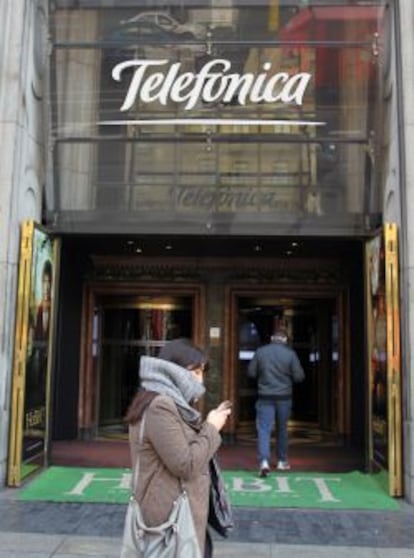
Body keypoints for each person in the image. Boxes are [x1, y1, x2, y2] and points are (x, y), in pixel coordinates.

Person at [124, 338, 231, 558]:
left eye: (202, 372)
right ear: (174, 370)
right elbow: (186, 464)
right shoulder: (159, 406)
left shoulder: (173, 403)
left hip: (182, 516)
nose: (199, 379)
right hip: (170, 520)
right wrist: (212, 427)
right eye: (194, 371)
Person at [247, 327, 305, 476]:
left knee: (264, 429)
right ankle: (282, 461)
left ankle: (264, 461)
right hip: (284, 398)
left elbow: (251, 373)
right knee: (282, 429)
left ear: (272, 338)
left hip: (265, 396)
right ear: (285, 340)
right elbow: (299, 377)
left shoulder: (261, 352)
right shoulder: (290, 354)